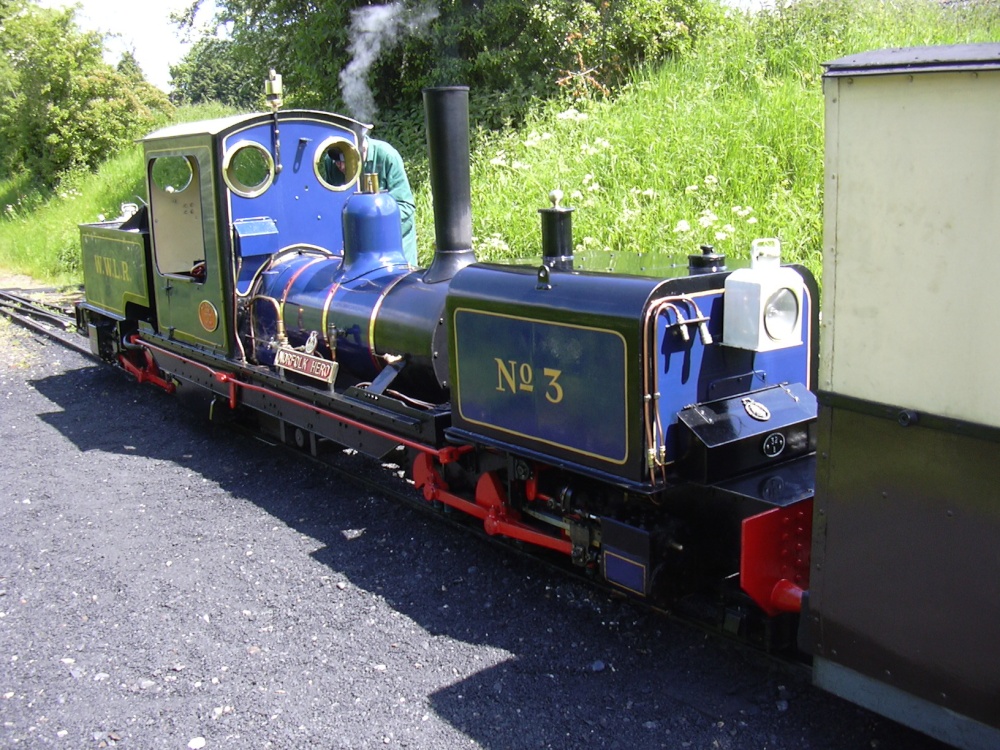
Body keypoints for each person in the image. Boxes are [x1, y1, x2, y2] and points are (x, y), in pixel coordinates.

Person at [359, 130, 417, 267]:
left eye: (345, 161)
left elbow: (405, 206)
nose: (341, 166)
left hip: (394, 245)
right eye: (337, 162)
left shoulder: (387, 156)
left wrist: (371, 233)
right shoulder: (332, 164)